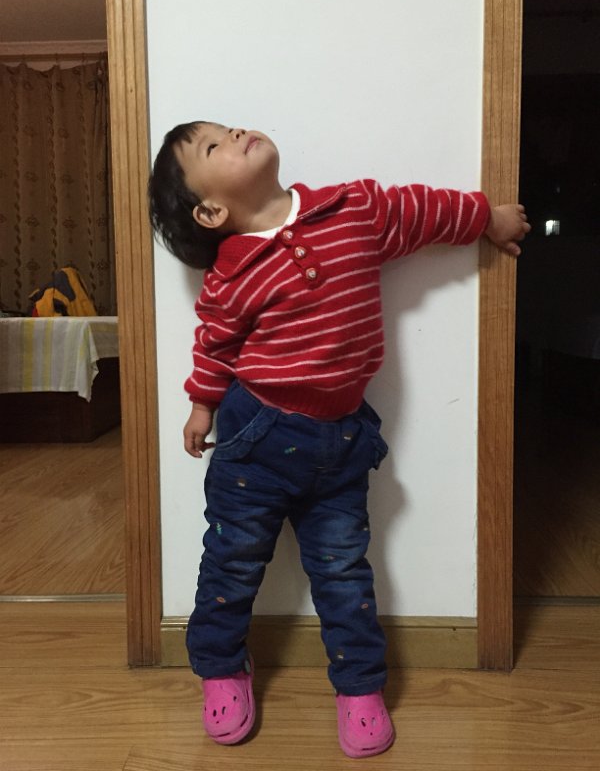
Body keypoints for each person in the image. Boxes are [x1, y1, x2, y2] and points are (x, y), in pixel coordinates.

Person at [148, 121, 530, 758]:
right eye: (212, 146)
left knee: (344, 573)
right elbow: (214, 344)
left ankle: (359, 685)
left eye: (226, 127)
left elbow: (420, 212)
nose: (233, 132)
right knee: (230, 565)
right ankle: (220, 667)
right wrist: (200, 406)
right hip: (254, 442)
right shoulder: (231, 274)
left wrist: (485, 216)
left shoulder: (350, 208)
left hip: (339, 442)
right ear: (211, 211)